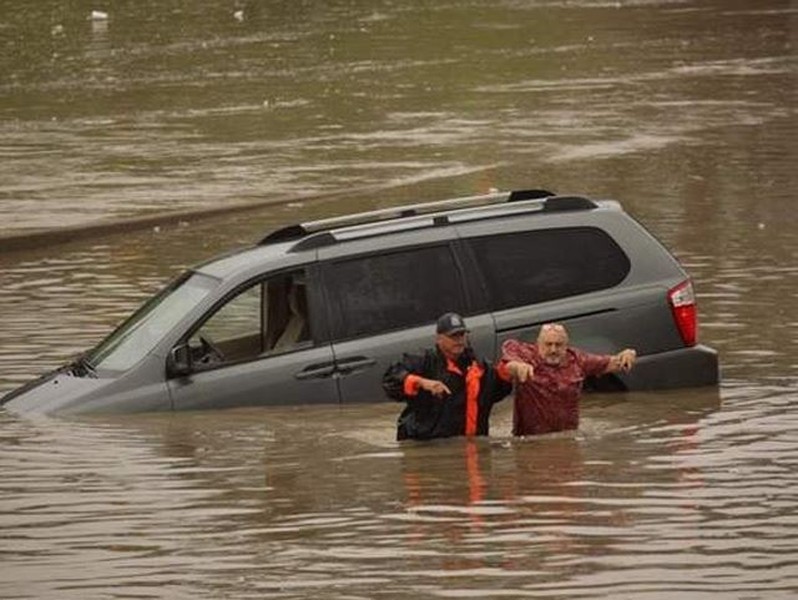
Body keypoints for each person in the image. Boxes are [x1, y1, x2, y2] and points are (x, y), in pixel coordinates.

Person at [383, 312, 527, 441]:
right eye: (453, 336)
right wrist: (422, 382)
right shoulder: (423, 361)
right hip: (427, 448)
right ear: (439, 339)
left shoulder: (478, 366)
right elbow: (391, 380)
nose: (459, 340)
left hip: (471, 447)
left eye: (462, 335)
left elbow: (495, 391)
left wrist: (509, 371)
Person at [500, 323, 637, 436]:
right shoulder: (525, 354)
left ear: (566, 346)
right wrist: (519, 367)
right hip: (530, 440)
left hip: (567, 437)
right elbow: (508, 363)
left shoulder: (577, 360)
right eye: (548, 344)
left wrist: (628, 354)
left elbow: (613, 363)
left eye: (558, 345)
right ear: (538, 344)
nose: (553, 350)